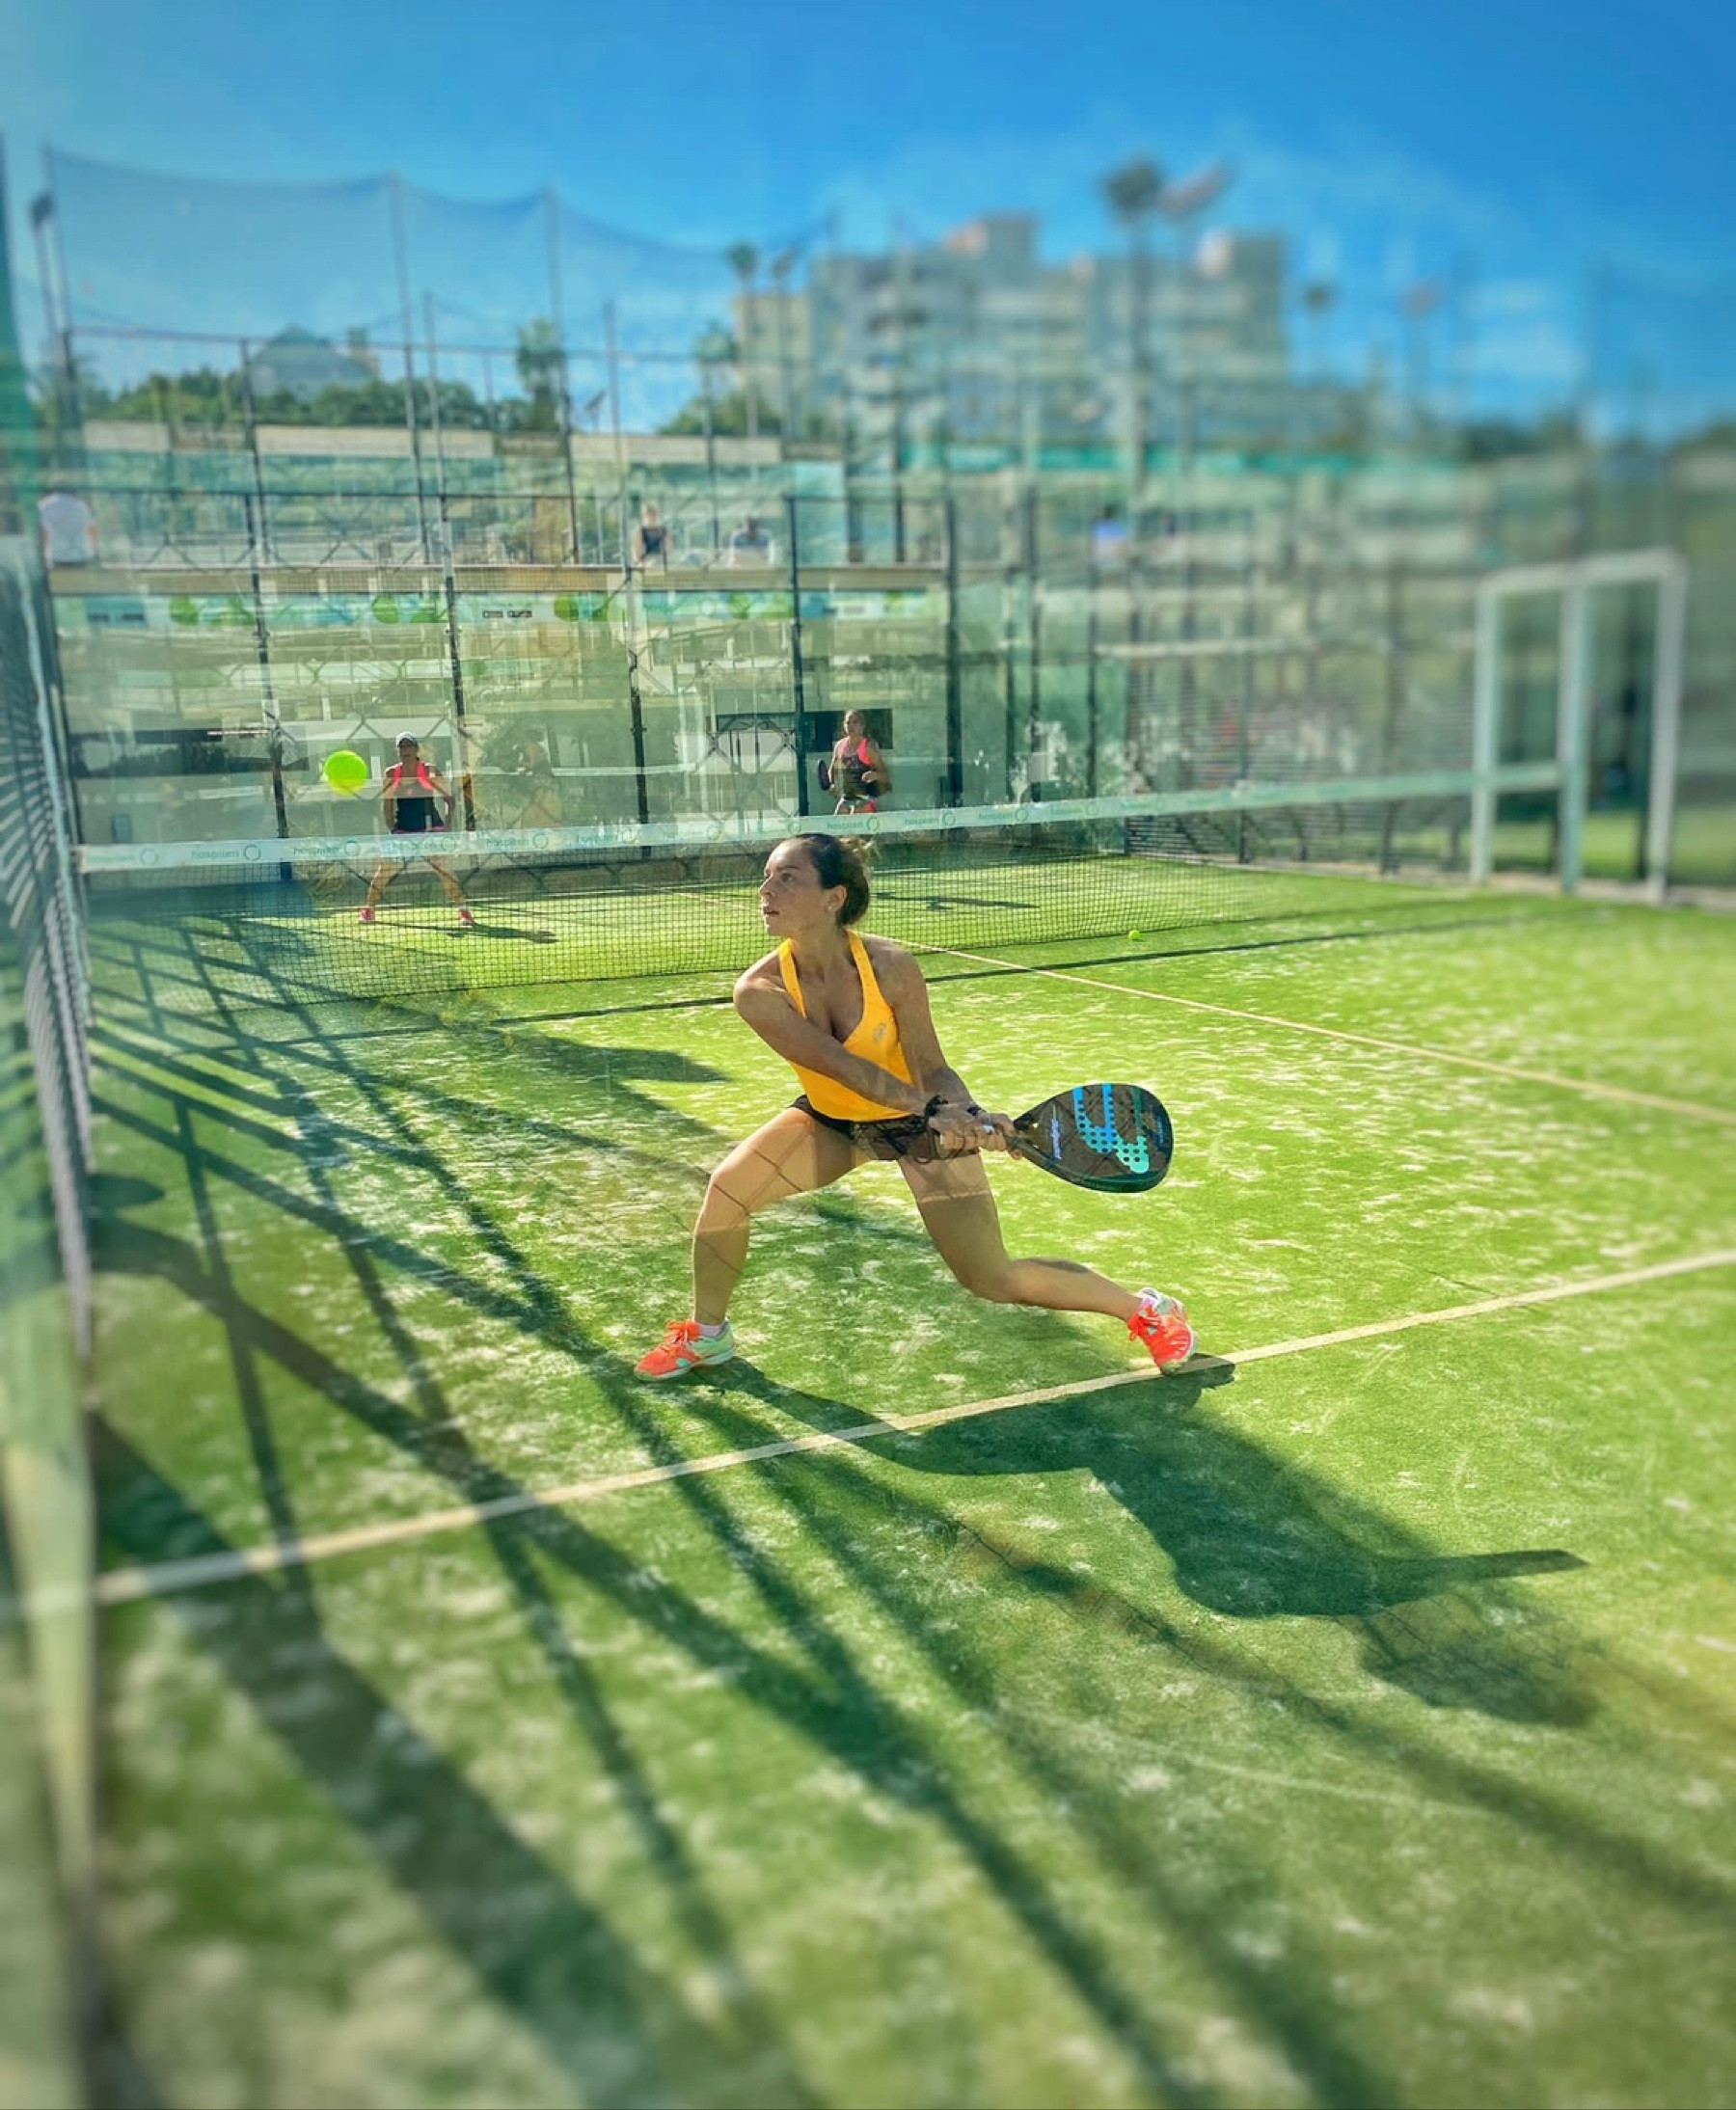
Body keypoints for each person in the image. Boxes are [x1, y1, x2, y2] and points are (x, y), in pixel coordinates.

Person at [635, 831, 1194, 1380]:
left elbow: (932, 1066)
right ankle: (708, 1334)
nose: (766, 891)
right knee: (728, 1190)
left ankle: (1148, 1310)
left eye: (788, 878)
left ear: (833, 898)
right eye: (766, 878)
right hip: (837, 1121)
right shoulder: (760, 991)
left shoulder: (890, 966)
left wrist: (968, 1115)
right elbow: (840, 1066)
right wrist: (933, 1110)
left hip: (921, 1123)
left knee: (990, 1276)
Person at [360, 735, 475, 927]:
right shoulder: (391, 773)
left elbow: (449, 800)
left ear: (416, 749)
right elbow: (387, 805)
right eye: (401, 746)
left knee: (443, 869)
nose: (405, 750)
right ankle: (368, 910)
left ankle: (464, 911)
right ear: (397, 751)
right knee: (384, 870)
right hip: (403, 830)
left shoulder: (429, 771)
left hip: (431, 829)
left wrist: (446, 828)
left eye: (408, 746)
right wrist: (392, 829)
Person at [825, 709, 890, 814]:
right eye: (848, 723)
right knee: (837, 820)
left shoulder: (869, 746)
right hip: (847, 798)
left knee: (856, 813)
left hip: (866, 798)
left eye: (855, 722)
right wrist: (831, 784)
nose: (851, 726)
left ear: (862, 726)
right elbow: (832, 769)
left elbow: (885, 775)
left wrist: (874, 775)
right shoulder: (839, 746)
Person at [39, 489, 98, 567]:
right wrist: (94, 550)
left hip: (56, 556)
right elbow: (92, 530)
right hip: (81, 555)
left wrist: (42, 553)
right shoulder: (82, 505)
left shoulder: (45, 505)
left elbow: (43, 533)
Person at [635, 502, 672, 567]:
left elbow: (669, 551)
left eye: (654, 513)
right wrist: (644, 564)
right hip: (646, 565)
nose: (653, 516)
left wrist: (665, 561)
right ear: (645, 515)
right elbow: (637, 555)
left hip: (661, 564)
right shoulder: (640, 532)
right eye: (650, 513)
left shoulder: (664, 531)